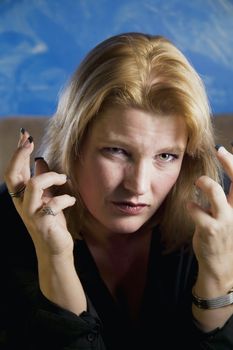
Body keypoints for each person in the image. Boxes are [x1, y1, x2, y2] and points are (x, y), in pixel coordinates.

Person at [0, 32, 233, 350]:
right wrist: (54, 259)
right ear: (75, 145)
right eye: (117, 151)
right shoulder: (8, 222)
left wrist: (218, 270)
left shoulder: (221, 217)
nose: (138, 186)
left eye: (166, 156)